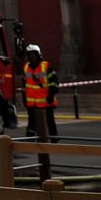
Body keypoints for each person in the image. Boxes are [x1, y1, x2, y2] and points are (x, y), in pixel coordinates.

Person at [21, 44, 57, 174]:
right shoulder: (26, 68)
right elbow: (25, 85)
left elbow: (54, 82)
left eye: (34, 55)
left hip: (45, 101)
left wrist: (51, 95)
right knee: (31, 123)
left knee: (50, 121)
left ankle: (54, 140)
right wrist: (24, 98)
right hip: (32, 102)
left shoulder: (46, 66)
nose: (32, 57)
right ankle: (29, 141)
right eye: (30, 55)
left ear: (38, 55)